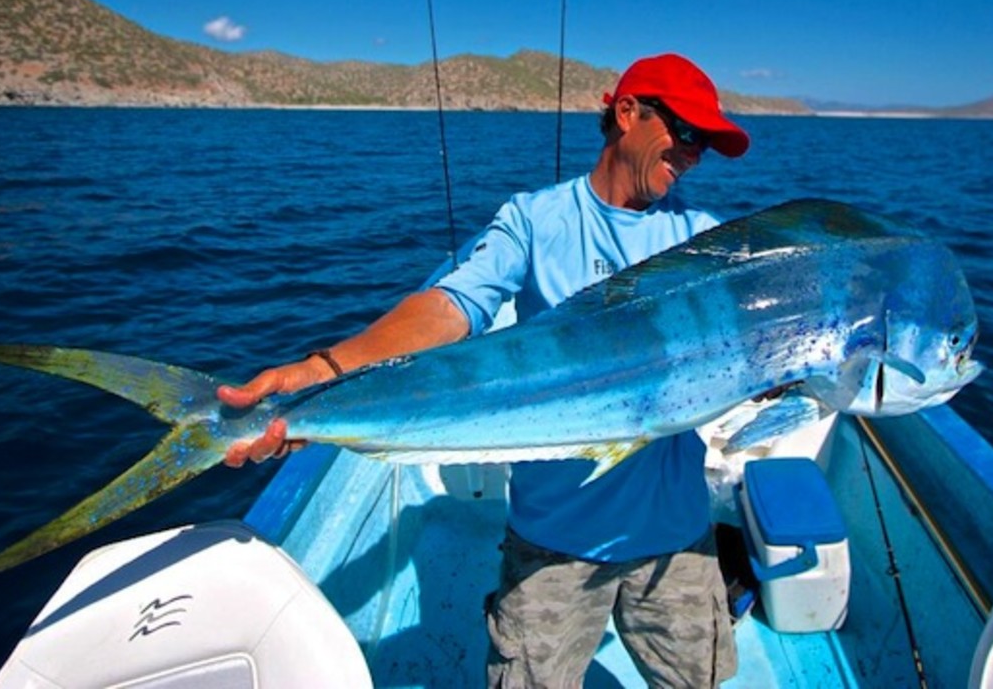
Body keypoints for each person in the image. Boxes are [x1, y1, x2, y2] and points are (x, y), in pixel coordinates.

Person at [218, 53, 750, 687]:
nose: (694, 154)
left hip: (676, 541)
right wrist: (324, 369)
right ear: (628, 114)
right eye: (687, 133)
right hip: (555, 540)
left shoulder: (706, 242)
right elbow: (453, 304)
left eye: (706, 146)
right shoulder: (534, 220)